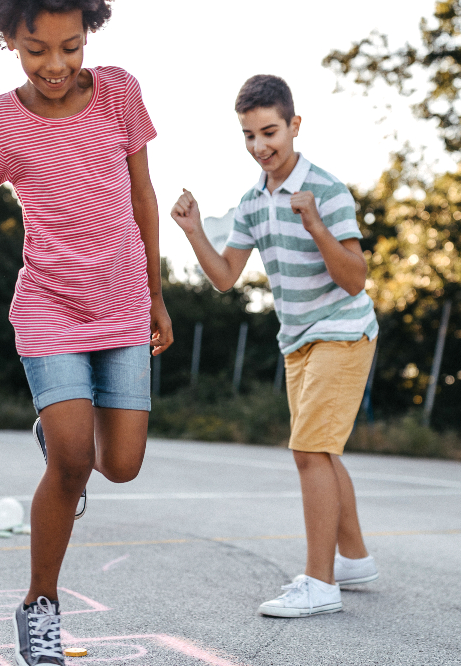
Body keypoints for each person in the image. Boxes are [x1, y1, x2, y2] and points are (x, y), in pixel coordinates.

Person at [0, 0, 172, 663]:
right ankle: (39, 604)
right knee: (73, 462)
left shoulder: (118, 94)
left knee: (122, 464)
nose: (55, 65)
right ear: (8, 40)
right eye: (36, 50)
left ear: (89, 33)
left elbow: (142, 197)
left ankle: (56, 433)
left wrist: (157, 294)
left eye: (70, 48)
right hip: (49, 306)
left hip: (124, 299)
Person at [170, 75, 380, 618]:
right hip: (297, 340)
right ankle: (352, 558)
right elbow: (225, 277)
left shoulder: (327, 191)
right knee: (321, 449)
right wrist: (193, 230)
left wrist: (314, 223)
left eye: (269, 132)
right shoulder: (251, 202)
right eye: (248, 136)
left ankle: (320, 583)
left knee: (308, 451)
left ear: (294, 126)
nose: (261, 146)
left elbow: (355, 278)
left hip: (343, 329)